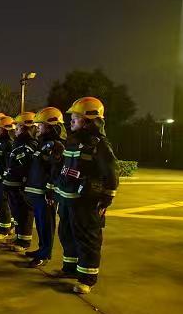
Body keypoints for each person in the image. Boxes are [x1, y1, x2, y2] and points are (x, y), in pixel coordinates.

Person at [55, 97, 119, 294]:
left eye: (75, 118)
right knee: (66, 233)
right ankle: (70, 268)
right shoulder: (72, 141)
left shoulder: (99, 144)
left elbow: (111, 172)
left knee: (87, 239)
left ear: (89, 120)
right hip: (67, 198)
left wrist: (106, 198)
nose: (71, 121)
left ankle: (87, 279)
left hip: (86, 201)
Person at [21, 108, 66, 267]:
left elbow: (55, 171)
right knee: (40, 224)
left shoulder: (56, 146)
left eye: (40, 125)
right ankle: (41, 249)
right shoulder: (43, 144)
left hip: (45, 194)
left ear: (51, 126)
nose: (37, 127)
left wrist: (50, 191)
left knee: (46, 224)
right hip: (37, 192)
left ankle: (45, 254)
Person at [0, 112, 39, 246]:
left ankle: (24, 241)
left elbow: (26, 168)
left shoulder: (30, 145)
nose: (16, 130)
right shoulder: (18, 142)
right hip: (13, 184)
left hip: (21, 185)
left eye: (19, 127)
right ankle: (19, 236)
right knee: (17, 212)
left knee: (24, 213)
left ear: (28, 129)